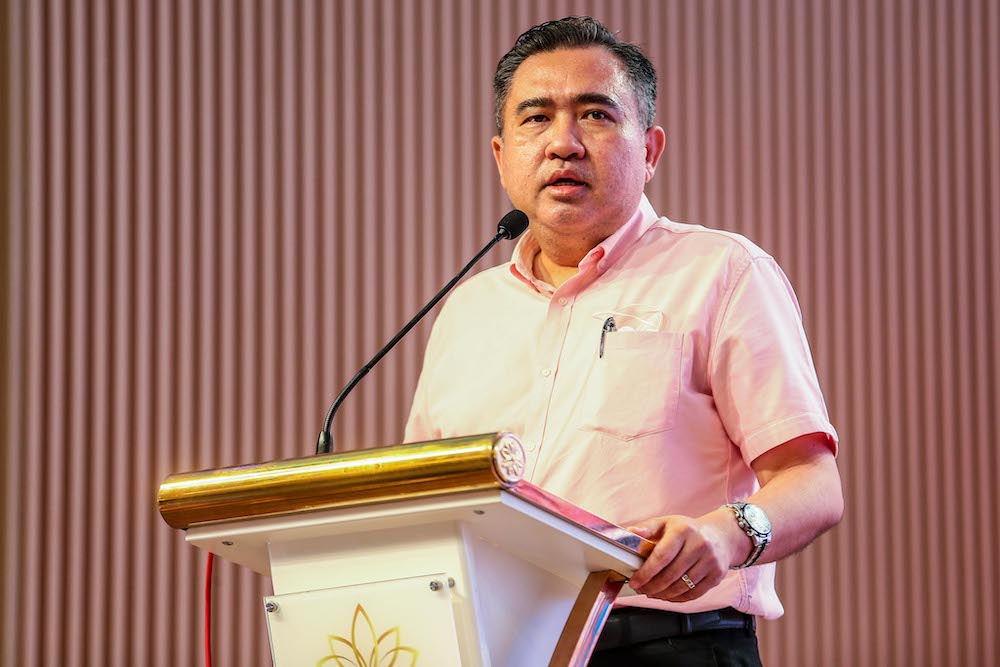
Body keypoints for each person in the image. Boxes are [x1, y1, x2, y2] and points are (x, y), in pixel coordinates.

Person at [404, 16, 843, 666]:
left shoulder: (722, 272)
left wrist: (726, 535)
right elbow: (423, 504)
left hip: (666, 643)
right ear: (501, 156)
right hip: (496, 647)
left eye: (595, 115)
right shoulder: (465, 312)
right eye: (536, 118)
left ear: (651, 150)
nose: (563, 143)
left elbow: (813, 481)